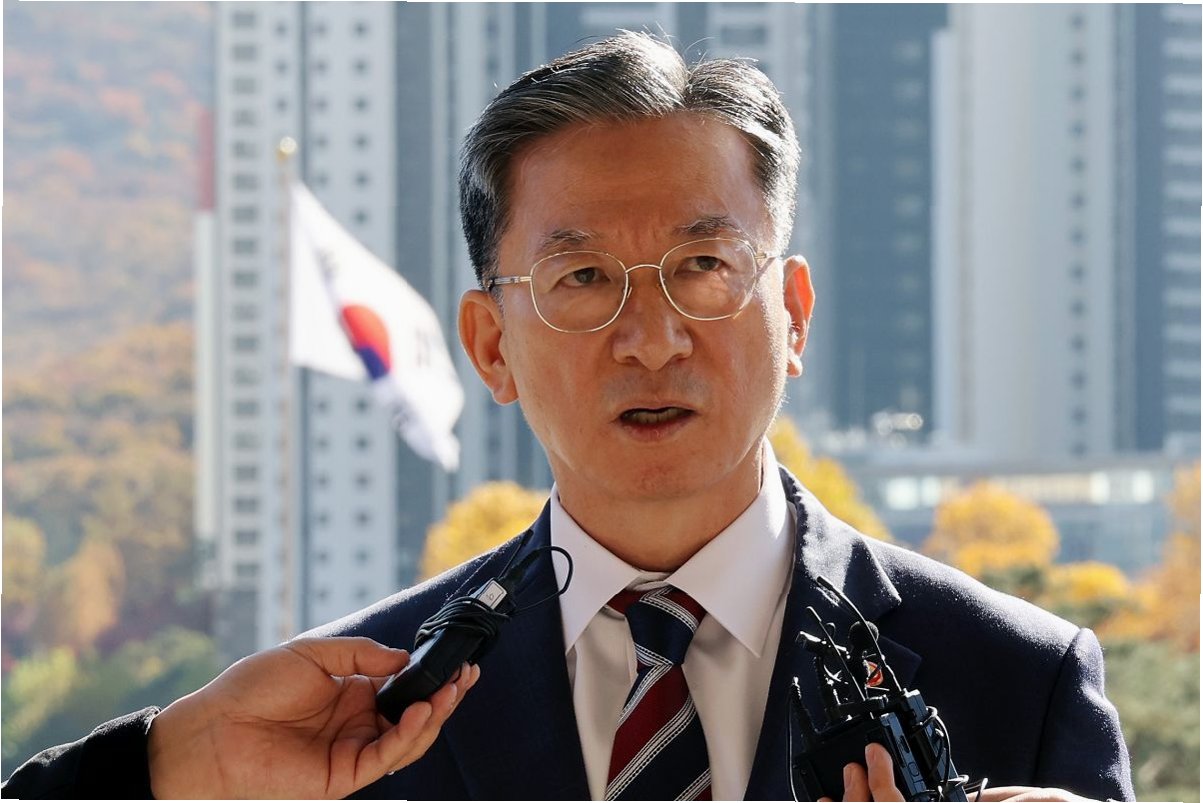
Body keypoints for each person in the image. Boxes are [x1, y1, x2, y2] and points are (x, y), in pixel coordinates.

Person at [3, 32, 1133, 802]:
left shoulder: (1015, 680)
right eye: (582, 279)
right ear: (491, 344)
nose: (651, 337)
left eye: (703, 266)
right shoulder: (352, 719)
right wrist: (172, 766)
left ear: (792, 312)